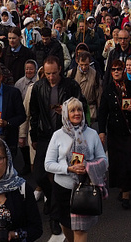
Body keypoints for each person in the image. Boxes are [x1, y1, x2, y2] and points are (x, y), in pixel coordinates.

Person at [28, 56, 85, 235]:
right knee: (39, 175)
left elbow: (81, 107)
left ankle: (55, 218)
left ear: (60, 69)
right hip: (45, 135)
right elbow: (34, 112)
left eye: (53, 73)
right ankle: (51, 197)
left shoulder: (71, 86)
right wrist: (33, 135)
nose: (51, 77)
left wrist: (66, 112)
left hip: (66, 135)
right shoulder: (38, 87)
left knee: (61, 174)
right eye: (47, 74)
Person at [45, 98, 107, 241]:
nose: (76, 113)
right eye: (72, 110)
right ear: (66, 113)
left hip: (84, 189)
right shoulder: (58, 135)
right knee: (65, 224)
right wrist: (69, 169)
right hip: (62, 189)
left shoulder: (92, 134)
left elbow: (104, 160)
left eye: (79, 110)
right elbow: (48, 164)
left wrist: (88, 167)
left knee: (80, 229)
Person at [98, 59, 131, 210]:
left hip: (130, 132)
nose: (116, 72)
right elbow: (102, 113)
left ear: (123, 71)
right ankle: (122, 188)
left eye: (119, 69)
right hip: (115, 132)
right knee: (117, 163)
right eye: (113, 69)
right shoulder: (108, 90)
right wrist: (102, 132)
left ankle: (126, 193)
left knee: (130, 162)